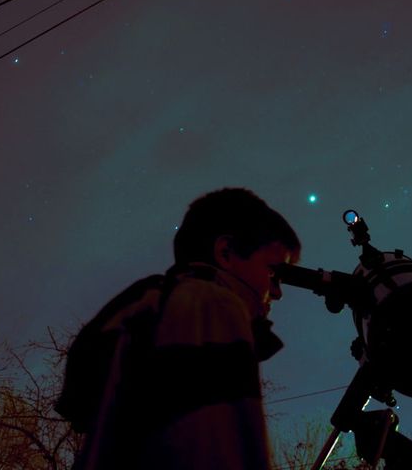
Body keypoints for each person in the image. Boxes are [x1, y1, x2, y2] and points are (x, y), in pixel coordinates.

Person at [56, 188, 301, 469]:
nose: (277, 292)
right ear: (226, 252)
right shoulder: (210, 304)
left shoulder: (154, 310)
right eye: (274, 272)